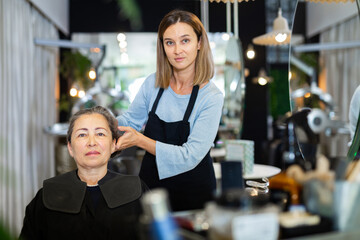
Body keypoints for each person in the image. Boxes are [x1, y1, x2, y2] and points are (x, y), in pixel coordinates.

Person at [116, 9, 224, 211]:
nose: (177, 51)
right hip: (151, 188)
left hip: (194, 195)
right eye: (170, 42)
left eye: (185, 41)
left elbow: (190, 155)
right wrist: (100, 123)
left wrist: (140, 140)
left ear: (199, 43)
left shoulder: (211, 96)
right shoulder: (153, 84)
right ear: (163, 46)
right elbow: (130, 121)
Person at [20, 106, 148, 240]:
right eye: (82, 134)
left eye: (100, 134)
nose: (91, 142)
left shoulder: (136, 190)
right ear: (70, 147)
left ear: (113, 144)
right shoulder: (47, 195)